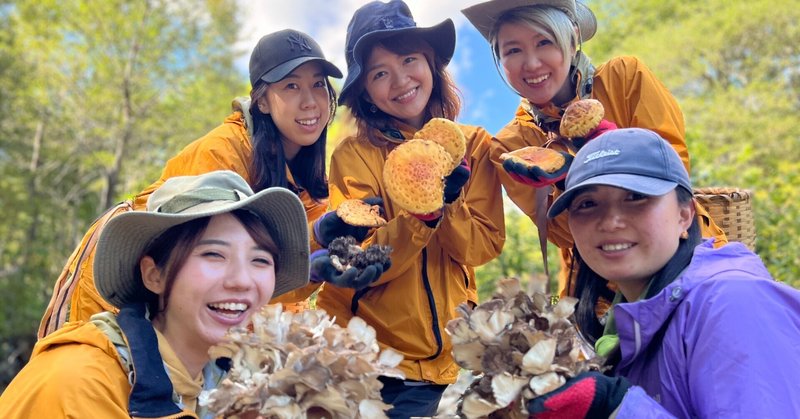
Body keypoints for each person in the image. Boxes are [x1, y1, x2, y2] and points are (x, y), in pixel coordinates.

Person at [39, 29, 379, 337]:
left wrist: (328, 251)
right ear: (261, 99)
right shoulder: (223, 154)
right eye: (291, 85)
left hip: (190, 306)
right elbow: (215, 267)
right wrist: (313, 255)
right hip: (121, 284)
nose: (310, 100)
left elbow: (270, 272)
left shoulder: (310, 175)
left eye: (318, 84)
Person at [526, 128, 800, 418]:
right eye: (587, 204)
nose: (610, 221)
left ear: (685, 215)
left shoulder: (733, 303)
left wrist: (617, 407)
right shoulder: (623, 325)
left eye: (635, 196)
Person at [315, 1, 506, 416]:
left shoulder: (473, 146)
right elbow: (359, 261)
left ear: (431, 63)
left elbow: (482, 246)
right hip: (367, 357)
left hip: (447, 362)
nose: (400, 80)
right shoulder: (354, 156)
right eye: (380, 73)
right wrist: (422, 214)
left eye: (409, 60)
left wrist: (449, 204)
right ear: (364, 89)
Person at [461, 0, 727, 295]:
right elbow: (562, 234)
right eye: (513, 50)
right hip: (598, 293)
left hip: (691, 260)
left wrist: (609, 151)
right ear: (500, 60)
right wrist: (565, 184)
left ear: (573, 39)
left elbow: (673, 174)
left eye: (544, 42)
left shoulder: (625, 79)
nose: (532, 63)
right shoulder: (510, 145)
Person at [0, 170, 312, 418]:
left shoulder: (223, 386)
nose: (242, 280)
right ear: (154, 275)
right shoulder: (80, 382)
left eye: (260, 260)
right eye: (214, 255)